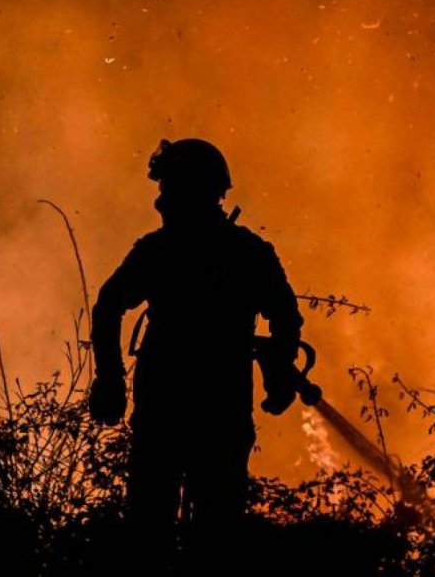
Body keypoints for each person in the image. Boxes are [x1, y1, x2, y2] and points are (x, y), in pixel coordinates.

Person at [88, 138, 304, 567]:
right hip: (219, 410)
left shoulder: (159, 251)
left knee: (151, 533)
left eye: (168, 187)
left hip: (166, 410)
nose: (161, 199)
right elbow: (285, 316)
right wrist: (278, 373)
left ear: (191, 190)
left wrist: (111, 378)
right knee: (216, 536)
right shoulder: (248, 252)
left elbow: (109, 305)